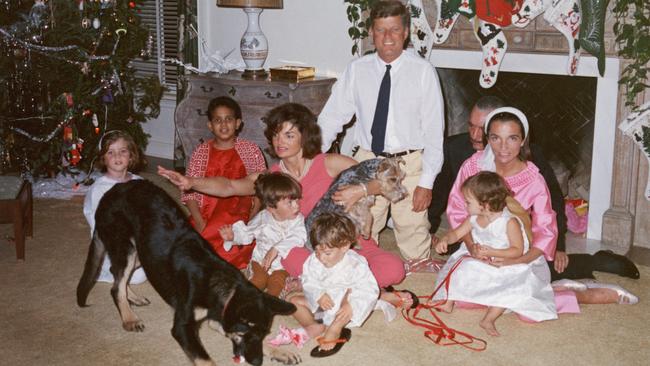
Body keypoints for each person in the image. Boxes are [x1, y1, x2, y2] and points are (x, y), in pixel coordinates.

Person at [158, 103, 416, 309]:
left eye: (289, 134)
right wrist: (191, 181)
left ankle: (345, 292)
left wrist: (359, 190)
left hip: (347, 241)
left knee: (395, 269)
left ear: (305, 137)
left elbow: (383, 179)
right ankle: (365, 293)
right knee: (289, 258)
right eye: (276, 134)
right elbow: (229, 187)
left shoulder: (329, 162)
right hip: (308, 250)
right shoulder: (271, 178)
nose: (280, 141)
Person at [430, 96, 639, 282]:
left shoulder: (533, 176)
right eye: (495, 138)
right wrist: (473, 247)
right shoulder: (473, 166)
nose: (503, 147)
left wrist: (531, 256)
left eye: (512, 138)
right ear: (488, 138)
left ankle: (595, 262)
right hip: (477, 240)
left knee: (543, 274)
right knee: (462, 288)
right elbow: (457, 211)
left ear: (522, 140)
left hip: (518, 245)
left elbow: (546, 223)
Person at [318, 0, 444, 260]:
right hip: (369, 161)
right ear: (371, 33)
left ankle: (417, 272)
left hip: (409, 163)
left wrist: (426, 182)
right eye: (380, 30)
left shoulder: (422, 72)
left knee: (413, 231)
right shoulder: (357, 70)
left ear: (406, 32)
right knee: (359, 231)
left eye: (394, 30)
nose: (388, 37)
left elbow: (434, 132)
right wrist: (309, 160)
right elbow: (331, 119)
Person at [433, 171, 557, 336]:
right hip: (480, 260)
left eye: (468, 202)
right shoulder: (474, 218)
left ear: (485, 204)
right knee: (460, 267)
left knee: (512, 285)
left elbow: (517, 250)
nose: (465, 206)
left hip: (505, 262)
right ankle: (448, 302)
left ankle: (489, 318)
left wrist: (492, 251)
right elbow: (456, 233)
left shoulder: (508, 222)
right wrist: (445, 240)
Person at [182, 96, 266, 269]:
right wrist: (199, 222)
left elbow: (262, 189)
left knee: (235, 249)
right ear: (210, 125)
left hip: (240, 214)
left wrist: (252, 217)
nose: (224, 124)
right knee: (193, 249)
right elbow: (188, 191)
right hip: (207, 212)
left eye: (228, 119)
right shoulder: (201, 152)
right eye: (218, 120)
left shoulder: (251, 151)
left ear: (238, 123)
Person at [291, 213, 378, 358]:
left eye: (327, 253)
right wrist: (318, 294)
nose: (321, 258)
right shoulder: (314, 260)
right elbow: (308, 279)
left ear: (344, 246)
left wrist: (349, 304)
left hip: (343, 306)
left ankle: (336, 327)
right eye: (317, 252)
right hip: (323, 304)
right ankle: (315, 325)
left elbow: (367, 289)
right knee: (293, 301)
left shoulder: (355, 263)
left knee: (351, 304)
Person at [219, 172, 305, 297]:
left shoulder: (298, 219)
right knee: (257, 281)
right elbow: (248, 234)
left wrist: (276, 249)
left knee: (276, 286)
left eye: (297, 200)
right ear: (271, 207)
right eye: (290, 203)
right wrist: (233, 237)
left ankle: (267, 306)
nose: (297, 206)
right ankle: (242, 303)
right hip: (260, 260)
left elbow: (299, 237)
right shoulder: (263, 218)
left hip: (282, 266)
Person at [83, 130, 147, 284]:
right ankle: (104, 272)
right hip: (112, 245)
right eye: (110, 152)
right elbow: (101, 226)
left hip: (137, 239)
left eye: (122, 151)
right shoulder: (99, 189)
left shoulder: (139, 182)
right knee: (138, 277)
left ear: (131, 155)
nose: (117, 157)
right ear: (103, 159)